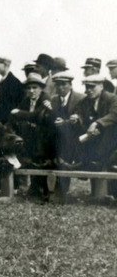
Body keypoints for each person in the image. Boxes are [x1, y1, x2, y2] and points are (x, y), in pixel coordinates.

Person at [9, 73, 55, 200]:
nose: (31, 91)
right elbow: (15, 116)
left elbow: (35, 115)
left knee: (40, 158)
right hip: (31, 137)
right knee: (24, 153)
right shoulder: (26, 100)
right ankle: (31, 187)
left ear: (41, 88)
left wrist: (19, 113)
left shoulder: (46, 99)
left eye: (34, 87)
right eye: (29, 88)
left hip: (46, 139)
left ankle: (41, 188)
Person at [69, 74, 117, 171]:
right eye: (87, 87)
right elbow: (79, 111)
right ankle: (81, 161)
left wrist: (96, 123)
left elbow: (114, 114)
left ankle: (95, 162)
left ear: (101, 86)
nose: (89, 90)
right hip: (95, 137)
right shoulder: (86, 101)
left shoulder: (112, 98)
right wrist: (77, 117)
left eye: (92, 87)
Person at [50, 71, 85, 200]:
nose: (61, 88)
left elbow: (82, 116)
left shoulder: (80, 98)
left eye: (64, 84)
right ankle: (59, 191)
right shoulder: (54, 99)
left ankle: (62, 191)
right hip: (58, 137)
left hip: (75, 138)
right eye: (58, 85)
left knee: (66, 159)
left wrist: (75, 119)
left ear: (70, 85)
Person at [0, 56, 24, 124]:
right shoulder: (3, 80)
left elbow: (12, 105)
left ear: (5, 65)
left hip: (8, 122)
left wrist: (1, 120)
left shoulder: (13, 82)